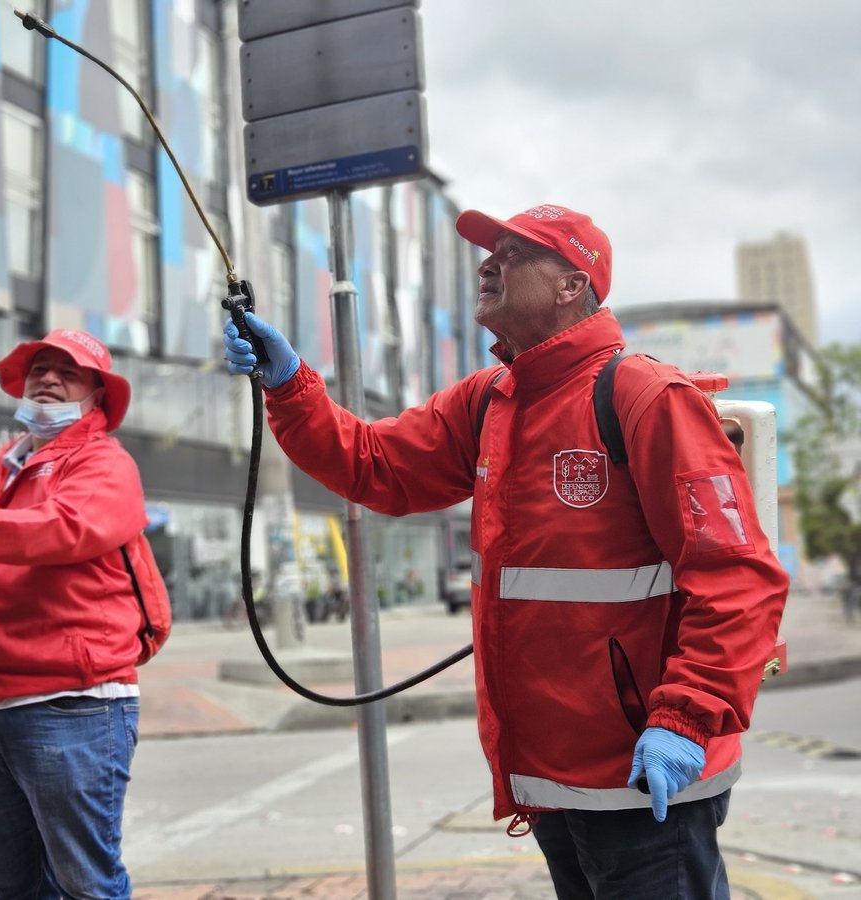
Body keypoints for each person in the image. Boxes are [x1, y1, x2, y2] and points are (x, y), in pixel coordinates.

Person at [223, 204, 788, 899]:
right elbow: (374, 464)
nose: (489, 263)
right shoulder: (492, 400)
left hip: (646, 778)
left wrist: (686, 718)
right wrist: (291, 386)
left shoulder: (644, 396)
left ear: (570, 285)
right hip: (551, 778)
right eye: (490, 251)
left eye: (516, 252)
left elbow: (739, 576)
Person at [0, 329, 161, 900]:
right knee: (15, 884)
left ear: (97, 396)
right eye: (39, 370)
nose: (48, 379)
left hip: (71, 704)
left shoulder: (105, 464)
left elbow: (66, 528)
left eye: (69, 372)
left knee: (84, 884)